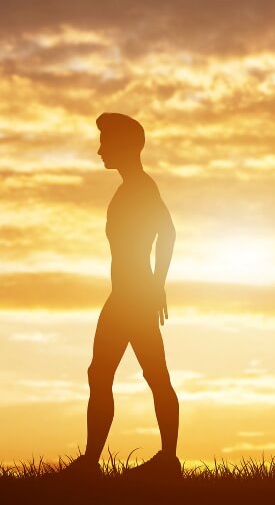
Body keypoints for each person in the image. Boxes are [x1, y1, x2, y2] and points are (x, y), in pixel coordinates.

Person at [61, 113, 180, 478]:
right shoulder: (134, 187)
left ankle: (166, 461)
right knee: (104, 373)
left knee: (150, 375)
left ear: (125, 147)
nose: (99, 150)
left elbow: (168, 232)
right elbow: (168, 232)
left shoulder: (141, 188)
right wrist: (155, 283)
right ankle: (97, 462)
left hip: (133, 294)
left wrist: (156, 283)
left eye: (106, 143)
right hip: (126, 293)